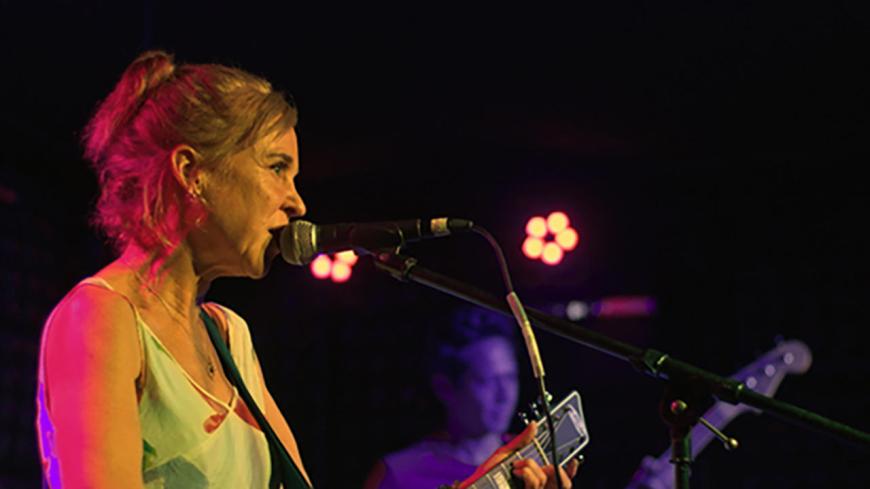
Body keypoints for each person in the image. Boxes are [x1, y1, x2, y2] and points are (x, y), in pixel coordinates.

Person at [34, 50, 579, 489]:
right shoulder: (101, 317)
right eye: (277, 168)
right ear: (192, 173)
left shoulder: (228, 334)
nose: (297, 202)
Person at [364, 306, 529, 489]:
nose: (504, 395)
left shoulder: (531, 459)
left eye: (510, 377)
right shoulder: (400, 474)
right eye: (486, 380)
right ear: (445, 388)